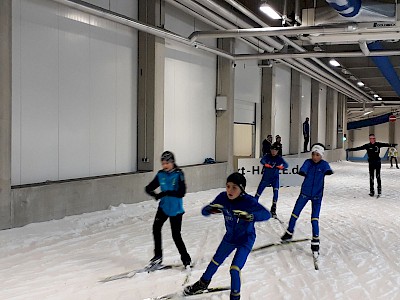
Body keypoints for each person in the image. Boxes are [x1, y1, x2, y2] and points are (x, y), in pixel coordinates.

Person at [184, 173, 270, 300]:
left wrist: (251, 216)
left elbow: (266, 214)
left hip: (245, 239)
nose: (230, 190)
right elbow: (204, 211)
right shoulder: (222, 197)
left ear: (242, 189)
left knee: (234, 269)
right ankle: (203, 283)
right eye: (228, 186)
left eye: (234, 187)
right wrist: (210, 209)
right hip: (230, 237)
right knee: (215, 261)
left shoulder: (248, 201)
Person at [281, 143, 333, 256]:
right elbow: (304, 168)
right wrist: (303, 171)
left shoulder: (324, 164)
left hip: (317, 196)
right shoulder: (308, 162)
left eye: (317, 155)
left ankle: (315, 242)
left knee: (314, 219)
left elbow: (328, 169)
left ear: (321, 155)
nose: (314, 157)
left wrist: (328, 171)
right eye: (313, 154)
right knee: (295, 213)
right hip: (304, 193)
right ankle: (289, 232)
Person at [145, 151, 191, 267]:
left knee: (176, 235)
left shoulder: (179, 174)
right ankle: (158, 256)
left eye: (167, 163)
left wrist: (166, 192)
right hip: (164, 208)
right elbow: (149, 188)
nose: (164, 166)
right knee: (156, 228)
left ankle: (186, 259)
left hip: (176, 209)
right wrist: (155, 195)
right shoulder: (161, 174)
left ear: (172, 162)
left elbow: (181, 192)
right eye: (163, 163)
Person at [254, 144, 289, 218]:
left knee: (276, 192)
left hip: (275, 178)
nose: (273, 152)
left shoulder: (279, 158)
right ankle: (253, 205)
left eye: (275, 151)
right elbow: (262, 160)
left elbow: (286, 165)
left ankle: (273, 208)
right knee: (259, 192)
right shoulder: (267, 156)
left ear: (277, 151)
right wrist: (265, 164)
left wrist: (282, 167)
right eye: (272, 150)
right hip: (266, 178)